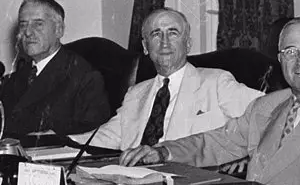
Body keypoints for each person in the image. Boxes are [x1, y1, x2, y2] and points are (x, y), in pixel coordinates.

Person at [121, 18, 300, 185]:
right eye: (290, 52)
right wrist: (163, 151)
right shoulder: (266, 106)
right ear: (280, 60)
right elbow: (217, 142)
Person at [72, 9, 261, 149]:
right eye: (156, 34)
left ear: (187, 44)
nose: (164, 42)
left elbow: (270, 113)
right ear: (145, 47)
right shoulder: (136, 93)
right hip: (135, 179)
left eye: (173, 33)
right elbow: (106, 136)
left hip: (189, 180)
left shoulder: (216, 82)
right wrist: (57, 142)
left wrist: (245, 153)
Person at [0, 0, 109, 138]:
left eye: (38, 24)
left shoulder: (85, 77)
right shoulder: (16, 78)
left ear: (59, 30)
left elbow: (94, 135)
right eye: (23, 24)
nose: (27, 32)